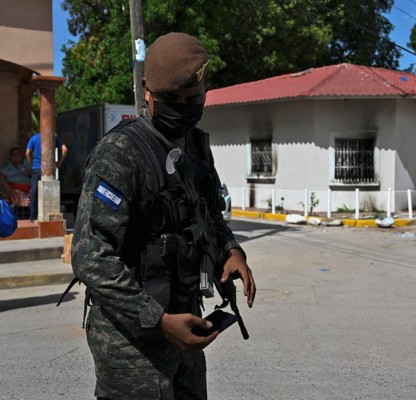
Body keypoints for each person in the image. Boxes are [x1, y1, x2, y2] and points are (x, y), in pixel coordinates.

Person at [71, 32, 256, 399]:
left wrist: (231, 252)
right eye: (173, 100)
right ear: (147, 89)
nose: (184, 109)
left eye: (193, 99)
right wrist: (158, 320)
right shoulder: (120, 154)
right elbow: (89, 255)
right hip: (131, 345)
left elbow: (209, 215)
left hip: (185, 327)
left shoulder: (196, 148)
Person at [25, 133, 68, 221]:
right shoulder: (53, 138)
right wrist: (59, 163)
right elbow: (65, 149)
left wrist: (31, 164)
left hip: (36, 168)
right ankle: (50, 214)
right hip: (50, 169)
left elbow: (27, 153)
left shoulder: (34, 138)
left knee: (34, 192)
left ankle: (32, 216)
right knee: (49, 190)